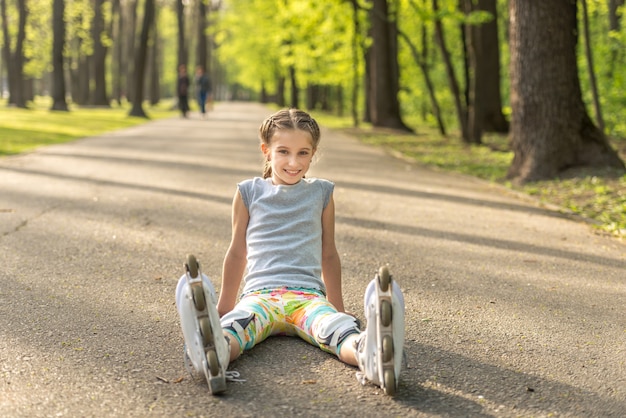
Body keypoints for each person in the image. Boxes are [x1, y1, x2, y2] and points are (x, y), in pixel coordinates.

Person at [175, 109, 405, 396]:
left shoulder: (321, 192)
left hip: (307, 298)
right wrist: (224, 306)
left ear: (313, 153)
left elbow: (328, 253)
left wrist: (337, 305)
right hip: (260, 295)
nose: (294, 162)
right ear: (266, 151)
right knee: (238, 326)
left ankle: (368, 354)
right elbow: (237, 252)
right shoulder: (249, 192)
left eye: (303, 153)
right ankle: (214, 351)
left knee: (335, 328)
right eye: (283, 151)